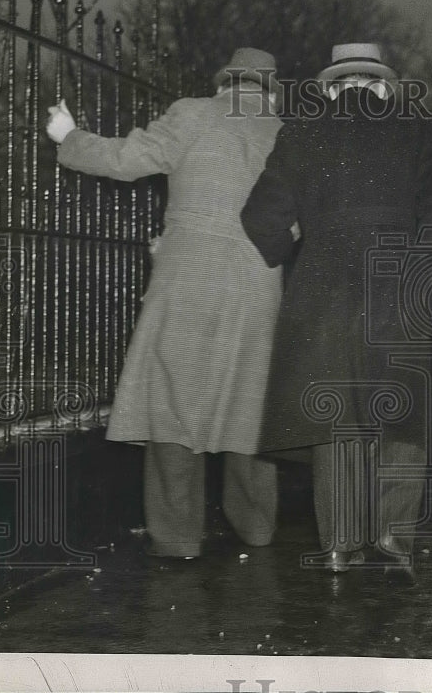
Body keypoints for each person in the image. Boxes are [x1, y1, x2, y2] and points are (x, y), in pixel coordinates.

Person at [45, 47, 289, 559]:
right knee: (252, 401)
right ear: (269, 90)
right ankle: (258, 528)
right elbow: (296, 222)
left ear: (224, 83)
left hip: (188, 281)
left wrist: (70, 136)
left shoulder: (192, 113)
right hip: (259, 286)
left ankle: (178, 540)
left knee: (175, 399)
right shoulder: (286, 131)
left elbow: (126, 161)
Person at [241, 42, 432, 573]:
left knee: (334, 416)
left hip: (322, 290)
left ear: (333, 88)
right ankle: (395, 541)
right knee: (400, 415)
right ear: (382, 86)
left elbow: (259, 216)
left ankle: (339, 543)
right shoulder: (416, 130)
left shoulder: (299, 134)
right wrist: (428, 280)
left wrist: (294, 251)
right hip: (397, 283)